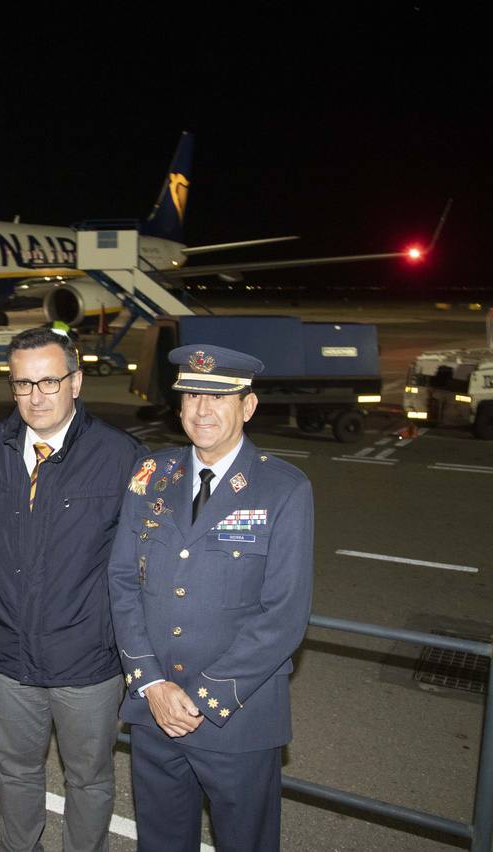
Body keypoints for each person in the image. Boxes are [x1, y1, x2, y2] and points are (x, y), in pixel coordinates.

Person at [107, 344, 314, 852]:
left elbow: (284, 615)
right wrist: (153, 685)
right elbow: (122, 581)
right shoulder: (150, 475)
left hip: (236, 720)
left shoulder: (283, 489)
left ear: (248, 406)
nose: (202, 410)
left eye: (219, 397)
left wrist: (202, 700)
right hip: (155, 713)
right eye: (192, 395)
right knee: (159, 842)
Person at [0, 326, 143, 852]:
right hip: (9, 656)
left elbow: (140, 567)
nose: (35, 396)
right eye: (23, 384)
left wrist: (134, 659)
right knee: (17, 772)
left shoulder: (122, 456)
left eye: (49, 381)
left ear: (77, 382)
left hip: (86, 660)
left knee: (88, 779)